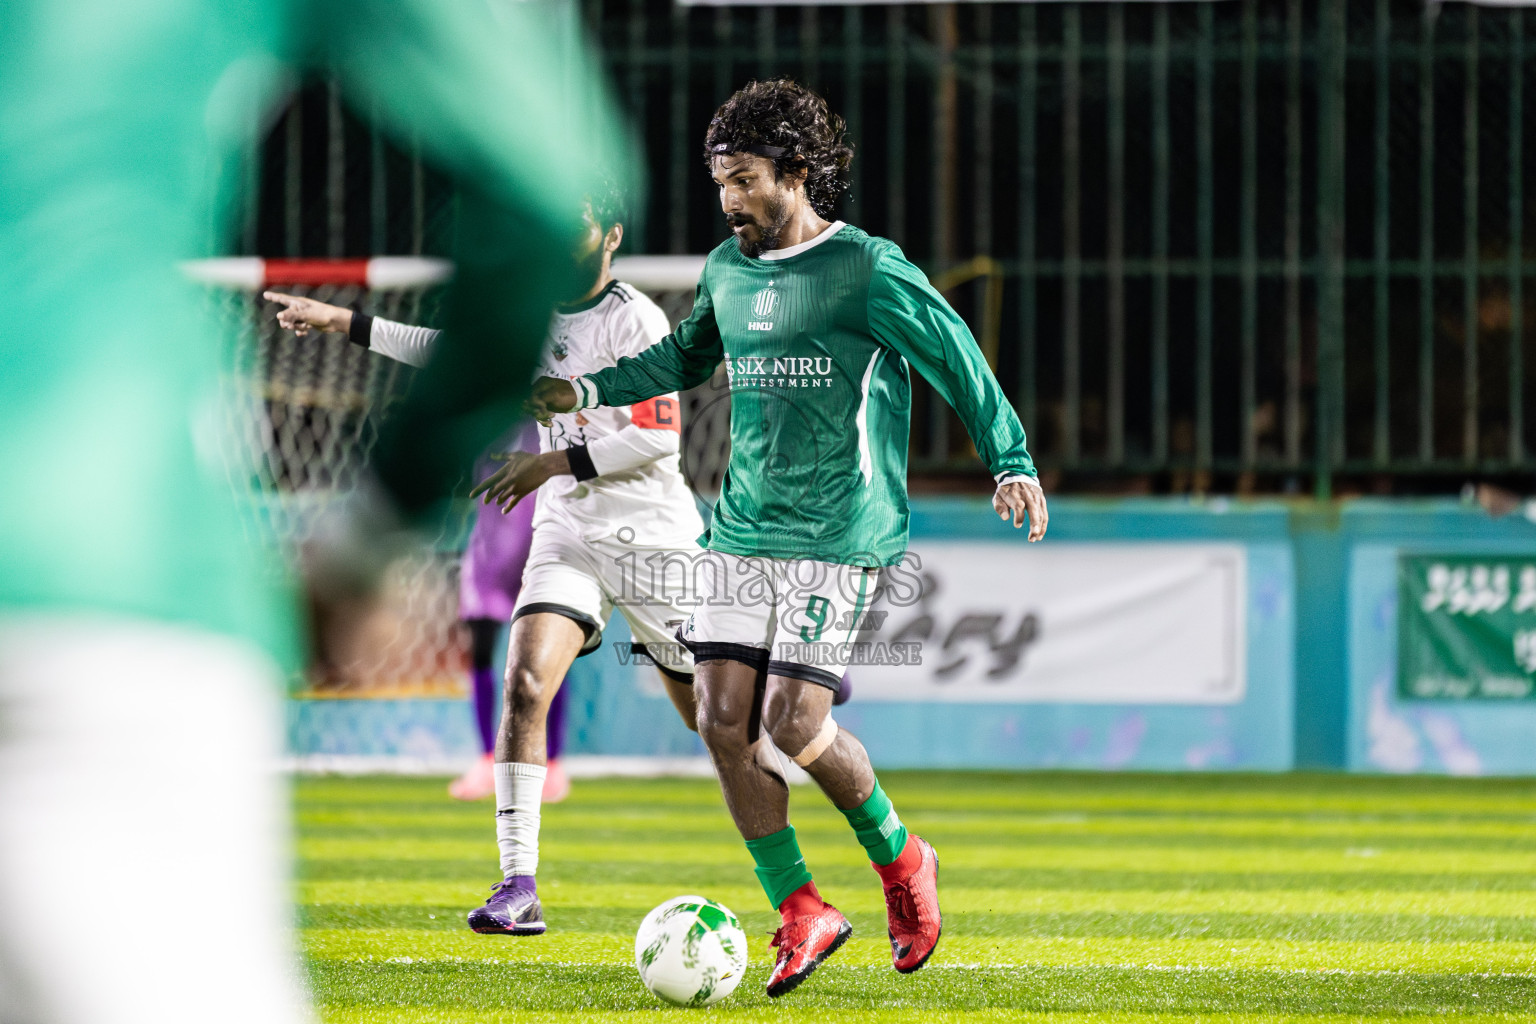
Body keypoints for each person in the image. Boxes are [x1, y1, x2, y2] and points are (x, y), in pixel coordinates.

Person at [0, 0, 628, 1019]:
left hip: (626, 524)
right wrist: (372, 532)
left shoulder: (635, 322)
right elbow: (540, 192)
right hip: (97, 571)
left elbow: (646, 418)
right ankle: (521, 857)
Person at [526, 79, 1049, 998]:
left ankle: (902, 860)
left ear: (797, 174)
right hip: (743, 531)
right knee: (723, 725)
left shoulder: (869, 270)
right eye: (719, 181)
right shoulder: (729, 271)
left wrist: (1010, 458)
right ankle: (801, 906)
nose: (728, 200)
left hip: (840, 535)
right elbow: (684, 357)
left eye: (744, 180)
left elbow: (958, 354)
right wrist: (584, 391)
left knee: (792, 720)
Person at [267, 186, 707, 938]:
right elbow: (450, 354)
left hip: (651, 541)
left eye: (583, 222)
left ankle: (783, 692)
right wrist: (345, 320)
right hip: (567, 535)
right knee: (525, 681)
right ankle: (518, 883)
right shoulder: (530, 311)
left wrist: (550, 462)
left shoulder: (635, 318)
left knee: (719, 720)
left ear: (612, 236)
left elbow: (657, 439)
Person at [455, 425, 574, 803]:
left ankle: (552, 763)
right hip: (489, 549)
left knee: (549, 650)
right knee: (479, 649)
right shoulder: (487, 412)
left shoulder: (552, 413)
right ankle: (485, 758)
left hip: (540, 542)